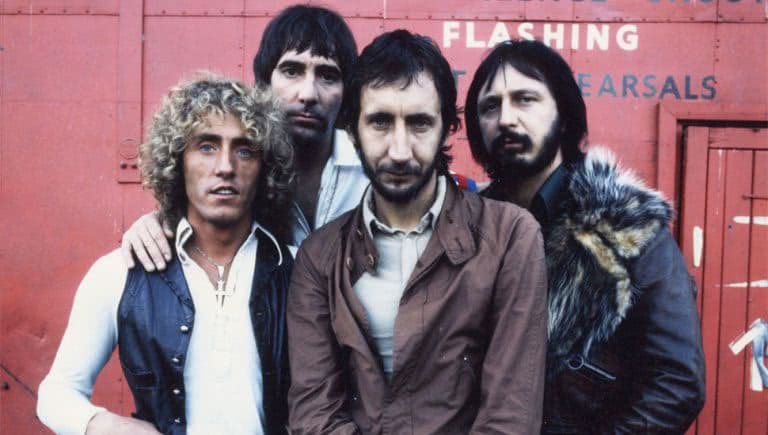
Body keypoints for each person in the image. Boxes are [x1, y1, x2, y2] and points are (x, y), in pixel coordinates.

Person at [287, 30, 548, 434]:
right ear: (352, 130)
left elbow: (510, 417)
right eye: (380, 122)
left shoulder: (511, 237)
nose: (400, 151)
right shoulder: (319, 257)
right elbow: (314, 415)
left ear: (447, 128)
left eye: (419, 123)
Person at [464, 39, 706, 434]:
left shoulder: (626, 226)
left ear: (563, 115)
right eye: (490, 106)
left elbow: (677, 383)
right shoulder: (465, 227)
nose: (506, 118)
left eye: (525, 99)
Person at [37, 74, 295, 435]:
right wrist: (108, 426)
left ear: (264, 166)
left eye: (244, 150)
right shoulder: (121, 272)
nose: (225, 166)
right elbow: (55, 394)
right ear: (178, 161)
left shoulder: (299, 268)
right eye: (206, 146)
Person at [122, 5, 367, 271]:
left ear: (346, 90)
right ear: (264, 83)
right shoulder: (238, 167)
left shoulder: (371, 171)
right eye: (292, 71)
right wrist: (155, 223)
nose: (308, 94)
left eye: (328, 76)